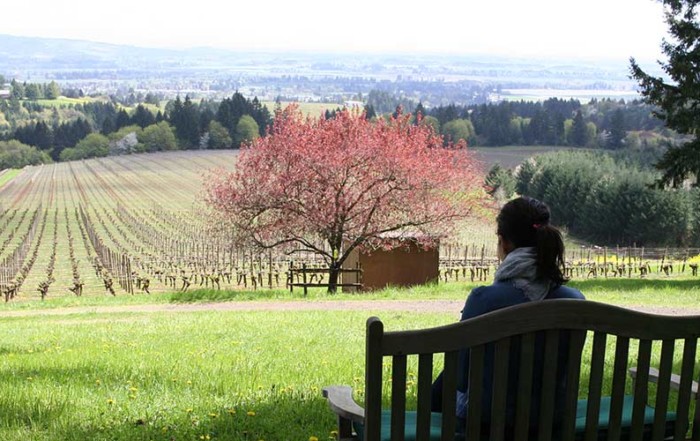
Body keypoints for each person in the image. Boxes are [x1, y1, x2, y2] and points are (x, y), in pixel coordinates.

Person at [431, 196, 585, 433]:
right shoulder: (575, 301)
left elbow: (461, 378)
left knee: (447, 378)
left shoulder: (483, 300)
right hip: (551, 423)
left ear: (503, 242)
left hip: (485, 425)